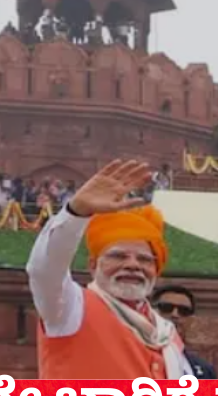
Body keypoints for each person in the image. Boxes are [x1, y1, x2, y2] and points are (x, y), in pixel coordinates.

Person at [26, 159, 193, 380]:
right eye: (118, 256)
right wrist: (76, 212)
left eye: (144, 260)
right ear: (93, 266)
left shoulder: (167, 334)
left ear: (156, 269)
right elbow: (44, 271)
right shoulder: (70, 309)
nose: (133, 265)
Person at [151, 285, 218, 380]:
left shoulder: (205, 370)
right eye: (166, 308)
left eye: (184, 311)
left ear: (191, 321)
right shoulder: (134, 358)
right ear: (150, 313)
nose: (175, 314)